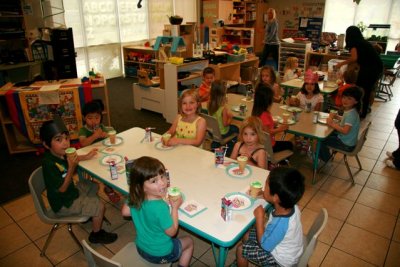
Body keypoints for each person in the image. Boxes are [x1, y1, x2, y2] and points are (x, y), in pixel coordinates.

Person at [40, 117, 118, 244]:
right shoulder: (49, 164)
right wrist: (71, 168)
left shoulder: (60, 153)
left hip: (71, 192)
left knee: (92, 185)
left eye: (66, 138)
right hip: (63, 203)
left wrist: (86, 156)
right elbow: (62, 189)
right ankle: (96, 235)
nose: (65, 143)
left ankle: (89, 211)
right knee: (100, 206)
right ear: (46, 144)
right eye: (58, 140)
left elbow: (73, 158)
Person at [121, 156, 193, 266]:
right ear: (142, 187)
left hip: (141, 248)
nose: (163, 183)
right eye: (154, 181)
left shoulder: (135, 197)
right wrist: (174, 208)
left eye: (162, 176)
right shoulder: (159, 207)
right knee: (189, 241)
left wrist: (134, 192)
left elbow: (125, 212)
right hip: (160, 254)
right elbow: (172, 232)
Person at [234, 167, 305, 267]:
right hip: (289, 250)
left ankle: (243, 256)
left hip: (280, 261)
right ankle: (247, 255)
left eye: (266, 185)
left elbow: (264, 245)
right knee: (246, 235)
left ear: (276, 197)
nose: (264, 186)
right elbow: (277, 200)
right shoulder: (291, 205)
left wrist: (260, 219)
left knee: (240, 250)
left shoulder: (280, 224)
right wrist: (264, 195)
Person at [336, 26, 383, 119]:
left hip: (370, 69)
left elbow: (354, 58)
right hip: (376, 67)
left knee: (361, 89)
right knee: (366, 90)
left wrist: (341, 64)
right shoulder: (363, 42)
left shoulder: (354, 44)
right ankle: (362, 111)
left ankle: (359, 113)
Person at [79, 100, 120, 203]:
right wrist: (95, 136)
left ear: (101, 118)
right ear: (84, 118)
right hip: (90, 158)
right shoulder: (83, 131)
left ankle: (110, 185)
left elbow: (108, 136)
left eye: (97, 118)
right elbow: (83, 143)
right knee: (103, 172)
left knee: (111, 167)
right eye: (90, 118)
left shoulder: (101, 127)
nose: (94, 121)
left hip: (103, 154)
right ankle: (108, 188)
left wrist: (105, 135)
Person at [319, 86, 363, 162]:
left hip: (346, 144)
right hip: (348, 141)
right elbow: (347, 121)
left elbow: (345, 131)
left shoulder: (351, 114)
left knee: (321, 140)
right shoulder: (351, 110)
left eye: (349, 98)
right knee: (326, 135)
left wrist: (332, 123)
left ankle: (326, 160)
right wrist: (337, 117)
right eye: (344, 97)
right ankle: (323, 156)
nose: (345, 100)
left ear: (356, 101)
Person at [252, 84, 293, 153]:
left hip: (260, 145)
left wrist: (273, 123)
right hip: (269, 147)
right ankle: (277, 162)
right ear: (268, 101)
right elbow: (268, 132)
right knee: (290, 145)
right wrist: (280, 129)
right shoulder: (265, 114)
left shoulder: (257, 112)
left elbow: (264, 126)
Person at [207, 80, 239, 155]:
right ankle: (228, 150)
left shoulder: (209, 104)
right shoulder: (223, 109)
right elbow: (225, 124)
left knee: (218, 137)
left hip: (212, 131)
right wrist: (230, 118)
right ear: (223, 95)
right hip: (222, 133)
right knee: (236, 129)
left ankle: (215, 146)